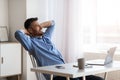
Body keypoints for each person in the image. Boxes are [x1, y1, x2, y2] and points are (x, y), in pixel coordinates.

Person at [15, 17, 104, 80]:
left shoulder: (46, 37)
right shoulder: (31, 43)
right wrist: (27, 31)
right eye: (37, 25)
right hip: (55, 76)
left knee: (98, 79)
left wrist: (39, 26)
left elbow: (52, 23)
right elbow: (18, 33)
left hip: (67, 70)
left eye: (40, 24)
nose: (41, 27)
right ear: (30, 30)